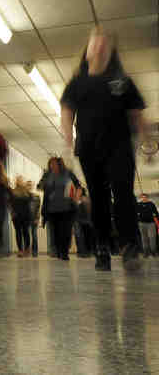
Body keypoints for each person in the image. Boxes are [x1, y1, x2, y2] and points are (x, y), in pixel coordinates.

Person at [60, 25, 148, 271]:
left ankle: (129, 246)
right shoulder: (77, 83)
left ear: (111, 51)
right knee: (98, 198)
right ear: (86, 50)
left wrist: (145, 140)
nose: (99, 43)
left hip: (119, 146)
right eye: (94, 39)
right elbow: (66, 111)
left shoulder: (122, 81)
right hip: (89, 148)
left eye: (105, 41)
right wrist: (67, 134)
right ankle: (102, 246)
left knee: (122, 193)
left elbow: (136, 112)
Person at [38, 157, 81, 261]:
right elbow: (39, 186)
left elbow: (78, 186)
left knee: (65, 230)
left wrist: (76, 197)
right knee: (56, 231)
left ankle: (64, 252)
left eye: (54, 164)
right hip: (52, 209)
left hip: (68, 208)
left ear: (59, 164)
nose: (52, 166)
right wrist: (43, 184)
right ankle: (58, 251)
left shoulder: (68, 173)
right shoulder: (47, 175)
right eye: (50, 164)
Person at [10, 176, 33, 258]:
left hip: (26, 215)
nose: (19, 181)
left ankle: (27, 250)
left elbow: (31, 201)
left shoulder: (27, 192)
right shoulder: (12, 192)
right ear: (16, 181)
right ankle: (20, 250)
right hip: (16, 215)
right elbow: (10, 204)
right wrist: (12, 213)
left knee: (26, 232)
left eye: (21, 180)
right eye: (18, 180)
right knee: (18, 232)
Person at [74, 187, 95, 258]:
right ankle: (81, 251)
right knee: (79, 236)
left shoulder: (85, 199)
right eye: (77, 191)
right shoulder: (76, 200)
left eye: (79, 191)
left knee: (85, 236)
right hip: (78, 220)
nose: (77, 192)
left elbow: (88, 210)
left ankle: (86, 251)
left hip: (85, 220)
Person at [136, 193, 158, 258]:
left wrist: (155, 219)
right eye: (142, 197)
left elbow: (156, 213)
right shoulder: (138, 204)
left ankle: (153, 252)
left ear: (147, 198)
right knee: (144, 239)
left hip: (151, 224)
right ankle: (146, 253)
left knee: (152, 238)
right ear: (141, 198)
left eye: (145, 197)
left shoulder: (151, 204)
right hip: (142, 224)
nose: (144, 198)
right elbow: (136, 213)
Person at [27, 181, 41, 258]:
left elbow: (38, 209)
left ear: (32, 186)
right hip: (26, 219)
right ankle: (27, 251)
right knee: (26, 235)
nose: (29, 186)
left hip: (34, 218)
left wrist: (37, 218)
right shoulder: (24, 196)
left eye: (30, 185)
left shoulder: (36, 196)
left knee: (34, 235)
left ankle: (35, 252)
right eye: (28, 185)